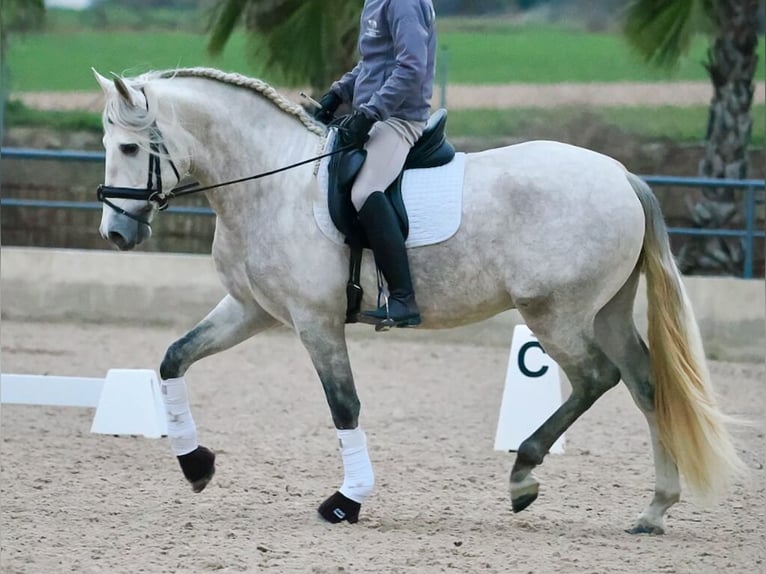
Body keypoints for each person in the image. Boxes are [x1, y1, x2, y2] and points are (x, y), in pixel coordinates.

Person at [314, 0, 437, 329]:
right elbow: (373, 63)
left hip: (399, 119)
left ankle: (402, 298)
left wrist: (371, 112)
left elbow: (412, 67)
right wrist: (338, 94)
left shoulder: (403, 3)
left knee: (364, 191)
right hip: (374, 113)